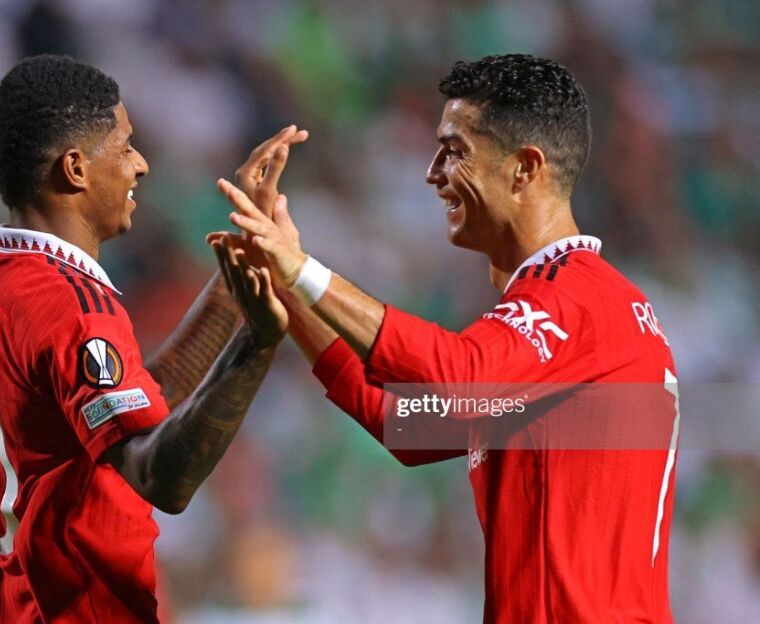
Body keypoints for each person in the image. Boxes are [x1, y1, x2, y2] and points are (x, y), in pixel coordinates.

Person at [214, 54, 679, 622]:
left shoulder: (576, 303)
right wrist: (286, 282)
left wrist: (302, 269)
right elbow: (403, 423)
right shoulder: (586, 316)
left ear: (524, 168)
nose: (434, 174)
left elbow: (458, 377)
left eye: (456, 151)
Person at [0, 54, 300, 623]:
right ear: (76, 169)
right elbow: (163, 478)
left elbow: (132, 410)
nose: (141, 165)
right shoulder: (72, 306)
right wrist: (257, 344)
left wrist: (239, 270)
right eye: (126, 147)